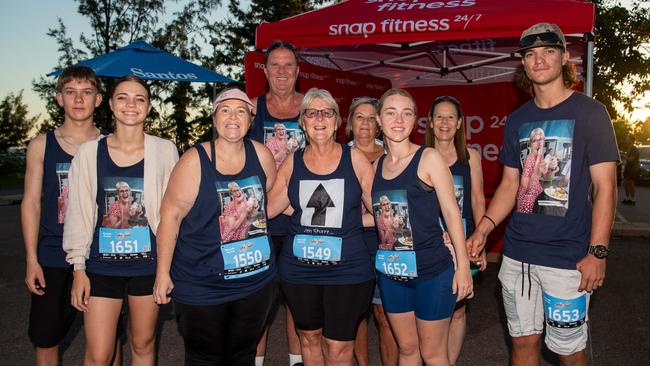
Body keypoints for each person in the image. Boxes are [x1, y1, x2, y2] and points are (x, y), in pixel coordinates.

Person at [466, 23, 618, 366]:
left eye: (548, 51)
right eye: (530, 54)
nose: (539, 60)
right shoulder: (518, 119)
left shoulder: (590, 113)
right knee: (522, 344)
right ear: (523, 63)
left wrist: (597, 252)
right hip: (517, 257)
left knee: (569, 351)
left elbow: (606, 187)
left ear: (565, 57)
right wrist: (485, 228)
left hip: (568, 260)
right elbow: (510, 185)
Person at [153, 88, 277, 365]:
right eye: (225, 110)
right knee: (204, 359)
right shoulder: (194, 161)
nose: (233, 117)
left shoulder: (262, 155)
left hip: (255, 282)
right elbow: (170, 216)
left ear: (251, 119)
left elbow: (267, 200)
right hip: (202, 282)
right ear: (214, 118)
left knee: (242, 356)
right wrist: (162, 272)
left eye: (240, 111)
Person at [64, 75, 179, 365]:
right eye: (123, 97)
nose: (131, 104)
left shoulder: (165, 150)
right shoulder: (89, 153)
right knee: (99, 354)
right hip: (102, 267)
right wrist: (78, 269)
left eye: (140, 98)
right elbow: (77, 213)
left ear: (149, 107)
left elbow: (172, 213)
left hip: (148, 264)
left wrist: (166, 269)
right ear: (112, 105)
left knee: (143, 343)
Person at [267, 88, 376, 365]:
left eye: (326, 112)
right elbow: (268, 209)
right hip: (299, 269)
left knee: (338, 347)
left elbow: (383, 212)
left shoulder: (356, 160)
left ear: (337, 121)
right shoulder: (293, 162)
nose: (319, 118)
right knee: (310, 338)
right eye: (311, 113)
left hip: (348, 270)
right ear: (302, 121)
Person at [372, 88, 472, 365]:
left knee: (433, 354)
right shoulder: (376, 166)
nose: (398, 120)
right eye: (390, 112)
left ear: (415, 120)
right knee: (407, 350)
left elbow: (452, 213)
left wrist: (463, 267)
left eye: (406, 113)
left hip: (432, 273)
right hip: (392, 274)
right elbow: (377, 218)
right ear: (379, 119)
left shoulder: (428, 158)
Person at [21, 65, 111, 366]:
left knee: (107, 340)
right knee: (47, 338)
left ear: (98, 99)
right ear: (59, 98)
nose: (79, 100)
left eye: (87, 92)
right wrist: (32, 259)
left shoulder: (110, 145)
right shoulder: (40, 145)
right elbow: (32, 203)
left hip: (99, 255)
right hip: (53, 254)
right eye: (71, 92)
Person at [248, 40, 305, 366]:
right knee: (259, 301)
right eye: (275, 65)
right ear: (266, 70)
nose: (282, 71)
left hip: (302, 221)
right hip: (264, 220)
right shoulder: (252, 109)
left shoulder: (312, 110)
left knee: (298, 300)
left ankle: (296, 360)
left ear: (297, 72)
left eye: (288, 65)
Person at [425, 95, 487, 365]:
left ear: (460, 123)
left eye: (451, 117)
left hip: (464, 242)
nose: (445, 122)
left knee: (458, 310)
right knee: (430, 310)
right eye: (439, 116)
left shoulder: (470, 156)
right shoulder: (421, 156)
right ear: (429, 122)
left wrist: (481, 241)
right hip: (430, 244)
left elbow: (477, 200)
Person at [346, 97, 398, 366]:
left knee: (385, 314)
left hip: (387, 243)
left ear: (378, 123)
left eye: (370, 117)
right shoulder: (338, 155)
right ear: (350, 122)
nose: (365, 123)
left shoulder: (393, 153)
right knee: (356, 314)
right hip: (353, 242)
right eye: (359, 117)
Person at [622, 135, 639, 205]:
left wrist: (624, 156)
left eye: (627, 139)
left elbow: (631, 159)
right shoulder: (629, 148)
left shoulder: (634, 149)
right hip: (628, 168)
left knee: (631, 184)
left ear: (631, 140)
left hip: (632, 169)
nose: (626, 140)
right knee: (626, 183)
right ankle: (627, 198)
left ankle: (632, 200)